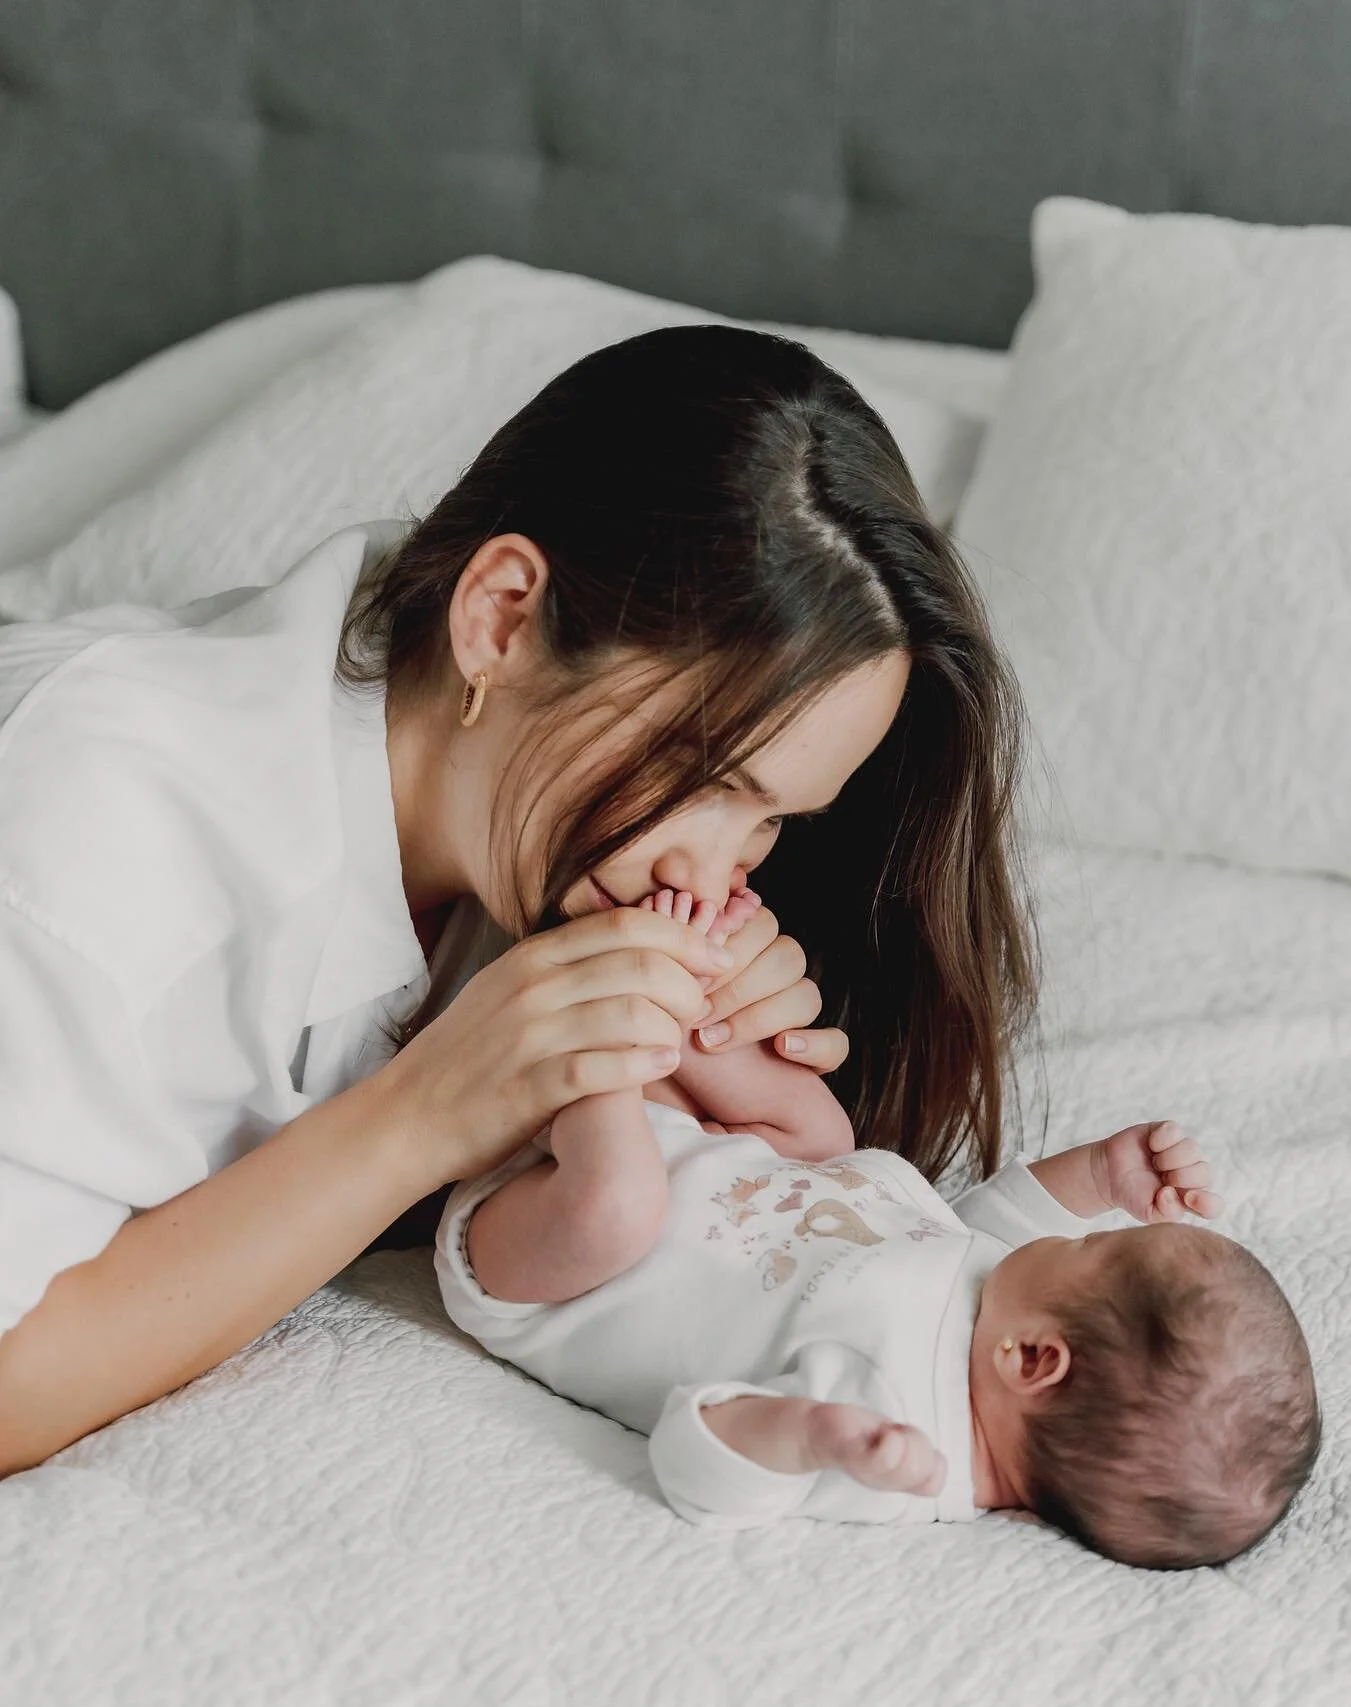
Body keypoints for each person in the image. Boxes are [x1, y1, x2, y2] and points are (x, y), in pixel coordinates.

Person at [0, 325, 1034, 1475]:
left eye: (775, 821)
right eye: (705, 780)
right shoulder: (82, 848)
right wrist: (419, 1116)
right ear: (497, 616)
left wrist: (724, 1076)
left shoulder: (512, 823)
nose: (717, 873)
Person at [437, 890, 1321, 1569]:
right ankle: (678, 980)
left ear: (1034, 1360)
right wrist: (1100, 1177)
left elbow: (691, 1457)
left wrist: (809, 1438)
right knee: (826, 1141)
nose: (1075, 1233)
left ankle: (593, 1020)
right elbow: (969, 1231)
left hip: (548, 1257)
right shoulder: (999, 1321)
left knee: (622, 1206)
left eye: (1091, 1245)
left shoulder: (897, 1446)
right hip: (691, 1145)